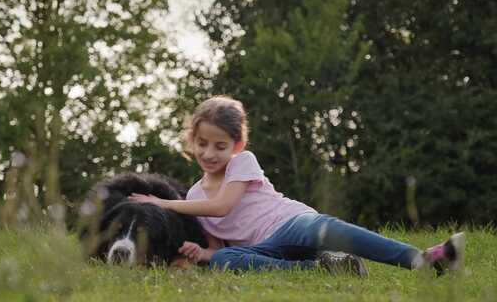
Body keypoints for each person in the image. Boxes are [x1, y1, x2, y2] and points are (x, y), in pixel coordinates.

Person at [130, 95, 465, 276]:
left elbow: (224, 207)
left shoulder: (242, 163)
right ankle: (325, 267)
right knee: (224, 261)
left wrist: (165, 203)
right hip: (269, 252)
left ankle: (422, 260)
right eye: (202, 143)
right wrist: (204, 253)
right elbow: (222, 244)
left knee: (320, 228)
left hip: (291, 225)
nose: (209, 153)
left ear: (236, 144)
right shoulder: (194, 195)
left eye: (220, 146)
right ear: (192, 139)